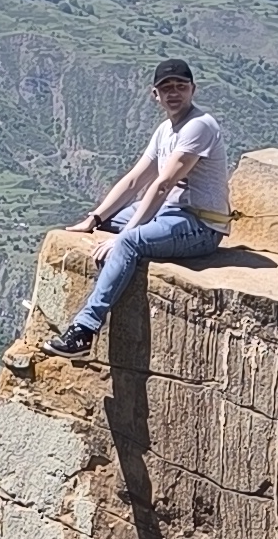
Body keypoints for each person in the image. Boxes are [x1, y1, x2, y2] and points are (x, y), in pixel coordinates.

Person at [37, 59, 231, 360]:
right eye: (167, 88)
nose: (174, 93)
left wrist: (124, 235)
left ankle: (84, 331)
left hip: (201, 225)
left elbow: (163, 183)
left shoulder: (199, 126)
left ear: (193, 89)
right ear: (155, 95)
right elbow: (134, 180)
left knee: (127, 241)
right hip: (171, 214)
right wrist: (95, 218)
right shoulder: (166, 130)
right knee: (110, 226)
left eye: (181, 86)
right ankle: (112, 274)